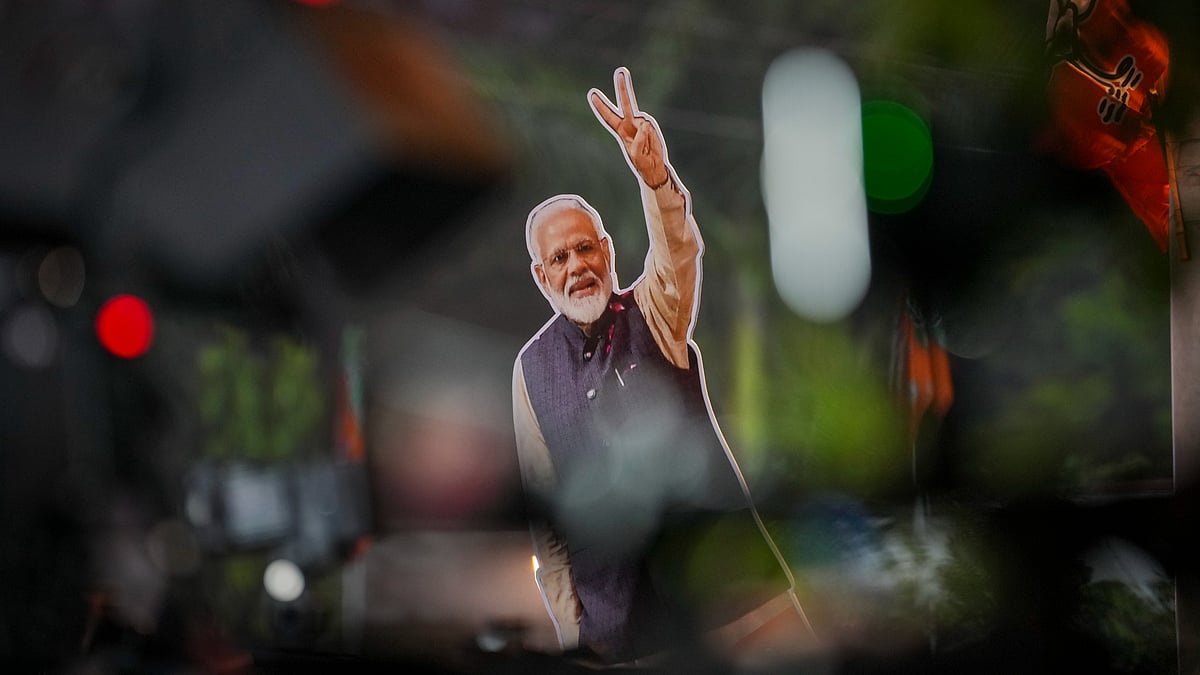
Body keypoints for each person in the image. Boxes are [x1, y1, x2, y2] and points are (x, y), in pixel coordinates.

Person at [513, 67, 814, 665]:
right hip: (624, 642)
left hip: (735, 608)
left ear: (608, 250)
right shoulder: (530, 370)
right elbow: (547, 534)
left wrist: (655, 178)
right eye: (560, 257)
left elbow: (679, 253)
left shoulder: (652, 313)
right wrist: (578, 638)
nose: (577, 266)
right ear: (541, 277)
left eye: (585, 247)